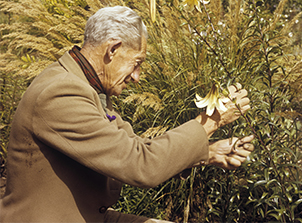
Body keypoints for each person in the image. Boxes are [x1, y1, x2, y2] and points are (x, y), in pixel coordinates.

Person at [0, 6, 254, 223]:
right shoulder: (61, 93)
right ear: (113, 49)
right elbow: (140, 165)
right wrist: (212, 120)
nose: (137, 76)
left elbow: (134, 148)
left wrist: (208, 153)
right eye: (137, 63)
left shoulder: (85, 85)